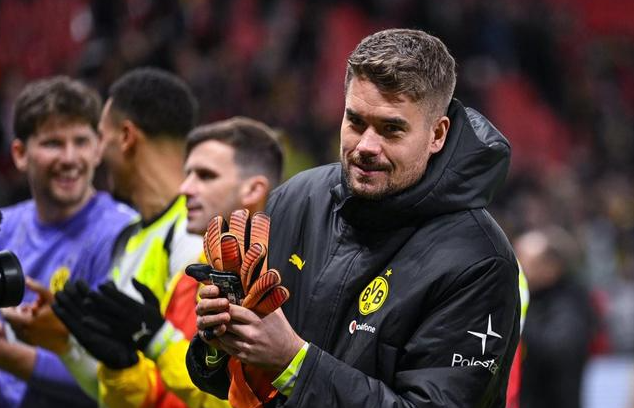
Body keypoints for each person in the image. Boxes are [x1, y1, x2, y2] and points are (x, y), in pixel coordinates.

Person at [187, 28, 522, 408]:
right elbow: (231, 381)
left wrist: (293, 363)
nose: (365, 146)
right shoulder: (297, 199)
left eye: (391, 129)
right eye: (356, 122)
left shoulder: (479, 263)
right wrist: (220, 343)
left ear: (437, 135)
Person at [64, 116, 285, 408]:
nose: (185, 189)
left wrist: (159, 341)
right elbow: (162, 399)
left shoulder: (278, 283)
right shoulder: (189, 277)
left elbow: (240, 401)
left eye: (205, 176)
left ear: (253, 190)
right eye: (187, 174)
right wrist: (122, 367)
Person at [0, 76, 136, 408]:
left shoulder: (122, 235)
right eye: (53, 143)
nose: (70, 157)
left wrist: (7, 355)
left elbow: (117, 375)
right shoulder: (5, 225)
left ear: (99, 148)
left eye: (81, 141)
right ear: (20, 153)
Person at [515, 226, 595, 408]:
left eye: (525, 261)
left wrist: (515, 328)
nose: (517, 267)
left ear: (551, 268)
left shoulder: (570, 302)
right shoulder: (525, 298)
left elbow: (560, 350)